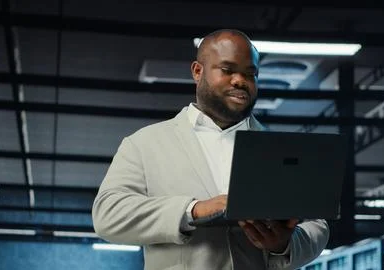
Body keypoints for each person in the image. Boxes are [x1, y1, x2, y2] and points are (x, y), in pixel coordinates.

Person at [92, 29, 329, 270]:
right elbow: (108, 215)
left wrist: (285, 245)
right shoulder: (144, 144)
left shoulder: (283, 149)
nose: (240, 80)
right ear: (198, 71)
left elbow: (317, 224)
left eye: (250, 73)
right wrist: (193, 210)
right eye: (227, 70)